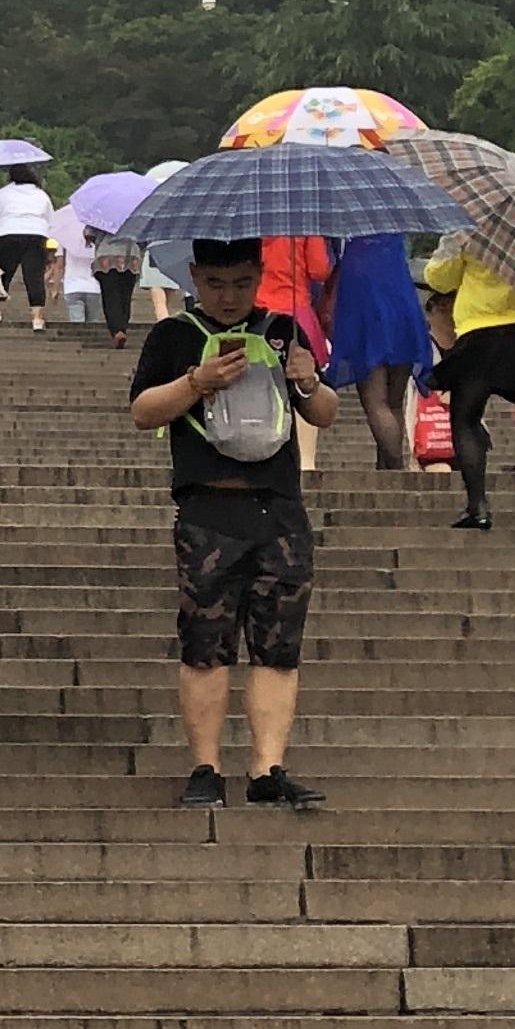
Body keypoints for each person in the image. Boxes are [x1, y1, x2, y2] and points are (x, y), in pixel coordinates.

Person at [129, 235, 345, 805]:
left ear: (260, 274)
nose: (229, 296)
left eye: (242, 283)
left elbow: (323, 414)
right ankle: (206, 766)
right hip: (207, 507)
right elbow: (141, 411)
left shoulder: (281, 330)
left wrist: (307, 377)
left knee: (279, 644)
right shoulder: (174, 335)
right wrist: (197, 382)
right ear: (195, 278)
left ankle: (267, 769)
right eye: (216, 284)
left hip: (279, 507)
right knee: (206, 641)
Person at [422, 235, 515, 544]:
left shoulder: (471, 227)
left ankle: (478, 506)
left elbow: (440, 278)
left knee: (465, 419)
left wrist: (449, 250)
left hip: (481, 332)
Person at [324, 230, 434, 472]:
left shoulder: (350, 239)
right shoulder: (394, 233)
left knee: (376, 402)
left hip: (367, 315)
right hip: (403, 311)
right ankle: (387, 467)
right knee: (394, 402)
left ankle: (395, 468)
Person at [0, 173, 56, 329]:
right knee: (34, 276)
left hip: (10, 233)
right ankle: (37, 318)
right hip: (36, 235)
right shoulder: (41, 194)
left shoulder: (2, 193)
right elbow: (51, 220)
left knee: (3, 273)